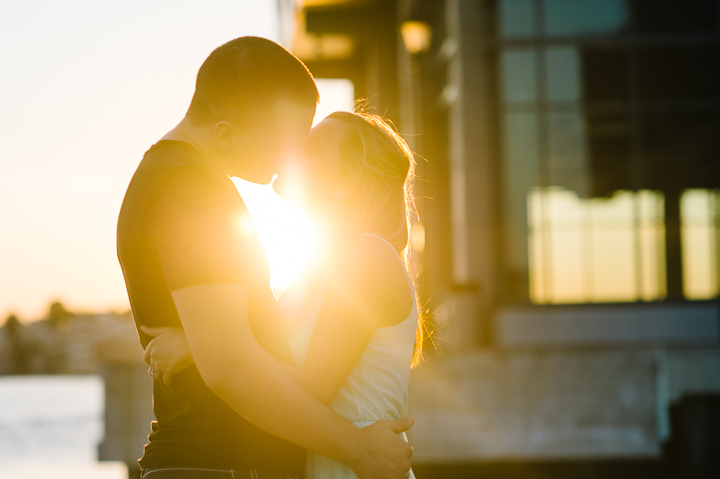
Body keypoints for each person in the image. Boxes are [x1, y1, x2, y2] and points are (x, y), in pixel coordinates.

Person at [117, 37, 414, 479]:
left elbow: (249, 357)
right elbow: (235, 366)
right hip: (220, 461)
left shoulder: (355, 260)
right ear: (225, 132)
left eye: (305, 145)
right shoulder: (191, 187)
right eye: (286, 139)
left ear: (347, 181)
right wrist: (359, 449)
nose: (288, 157)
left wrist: (201, 350)